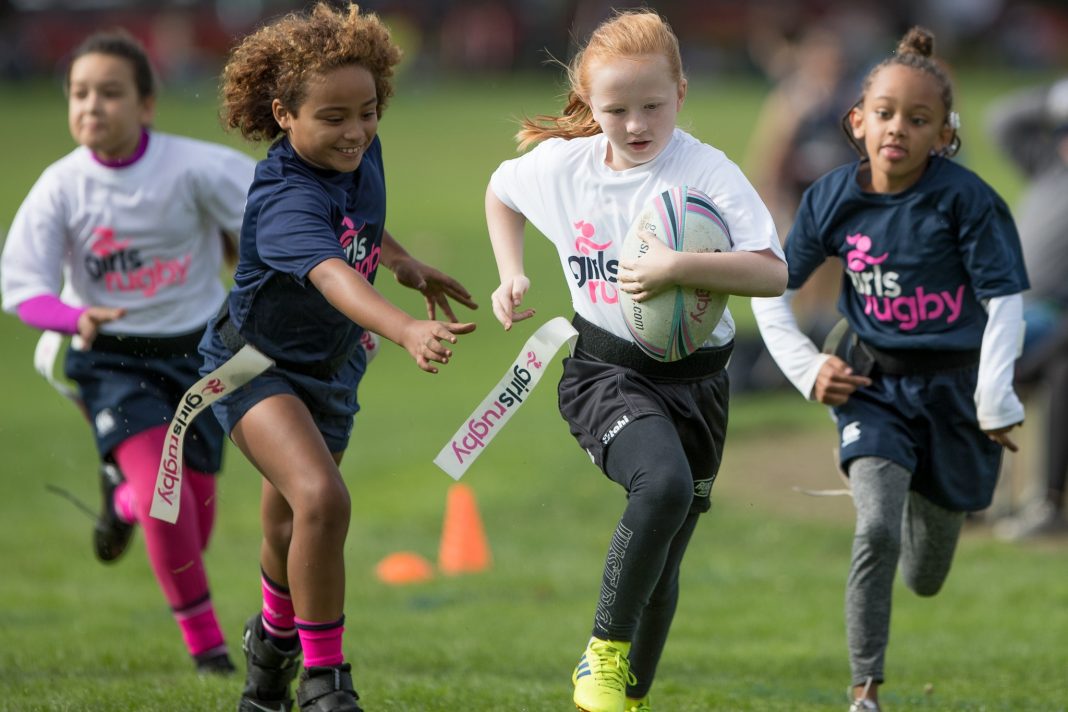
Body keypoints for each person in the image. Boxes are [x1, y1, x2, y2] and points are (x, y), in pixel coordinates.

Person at [484, 10, 787, 712]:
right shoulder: (566, 167)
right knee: (662, 489)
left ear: (681, 91)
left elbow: (773, 273)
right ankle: (602, 654)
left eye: (653, 105)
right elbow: (503, 190)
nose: (637, 122)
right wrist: (509, 273)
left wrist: (679, 265)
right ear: (590, 105)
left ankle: (630, 693)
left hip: (700, 384)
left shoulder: (707, 170)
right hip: (606, 373)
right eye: (615, 109)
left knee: (666, 554)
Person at [200, 4, 477, 711]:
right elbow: (333, 275)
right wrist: (405, 329)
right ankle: (325, 681)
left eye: (368, 110)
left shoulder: (356, 152)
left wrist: (407, 263)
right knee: (322, 501)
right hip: (252, 368)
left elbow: (358, 230)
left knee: (290, 526)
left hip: (329, 372)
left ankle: (267, 660)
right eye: (333, 117)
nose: (356, 131)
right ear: (284, 115)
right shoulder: (286, 196)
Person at [751, 27, 1028, 712]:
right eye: (883, 114)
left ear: (944, 135)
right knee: (874, 525)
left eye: (917, 118)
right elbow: (771, 291)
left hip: (957, 396)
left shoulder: (968, 202)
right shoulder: (832, 198)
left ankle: (926, 497)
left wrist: (994, 401)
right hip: (870, 387)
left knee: (925, 576)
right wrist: (807, 367)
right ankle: (865, 690)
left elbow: (1005, 304)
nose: (897, 129)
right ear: (857, 120)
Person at [0, 29, 256, 674]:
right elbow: (20, 286)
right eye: (80, 93)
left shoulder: (194, 166)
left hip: (200, 355)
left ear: (146, 105)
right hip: (112, 361)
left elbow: (273, 217)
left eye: (110, 93)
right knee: (162, 498)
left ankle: (120, 499)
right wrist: (73, 315)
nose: (92, 106)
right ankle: (208, 650)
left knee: (193, 512)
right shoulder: (61, 186)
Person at [985, 77, 1068, 540]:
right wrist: (1055, 96)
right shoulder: (1048, 168)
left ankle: (1048, 504)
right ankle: (978, 497)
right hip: (1017, 309)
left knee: (1063, 361)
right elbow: (1003, 120)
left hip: (1062, 318)